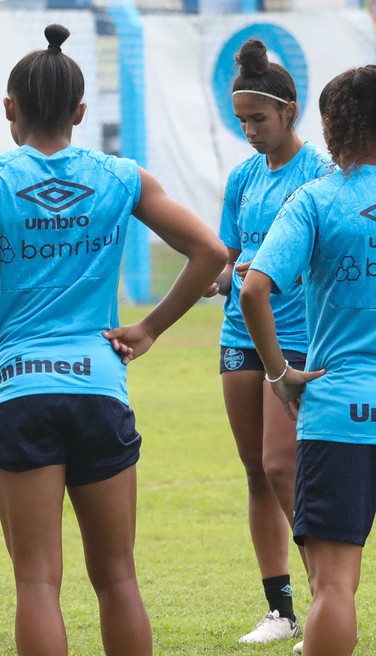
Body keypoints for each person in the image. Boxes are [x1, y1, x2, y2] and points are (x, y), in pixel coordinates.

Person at [0, 24, 227, 656]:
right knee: (117, 577)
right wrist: (149, 328)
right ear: (82, 113)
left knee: (36, 582)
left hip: (17, 392)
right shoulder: (121, 176)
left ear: (10, 108)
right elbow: (211, 252)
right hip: (98, 388)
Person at [240, 64, 376, 656]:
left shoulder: (316, 198)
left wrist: (277, 372)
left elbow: (252, 288)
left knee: (333, 588)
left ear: (331, 125)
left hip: (338, 410)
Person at [204, 38, 334, 646]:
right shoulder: (243, 178)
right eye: (242, 121)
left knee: (286, 467)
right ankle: (280, 610)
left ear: (290, 110)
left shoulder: (322, 175)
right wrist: (220, 276)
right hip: (239, 332)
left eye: (259, 118)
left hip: (299, 334)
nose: (250, 131)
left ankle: (324, 599)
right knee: (255, 470)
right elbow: (232, 257)